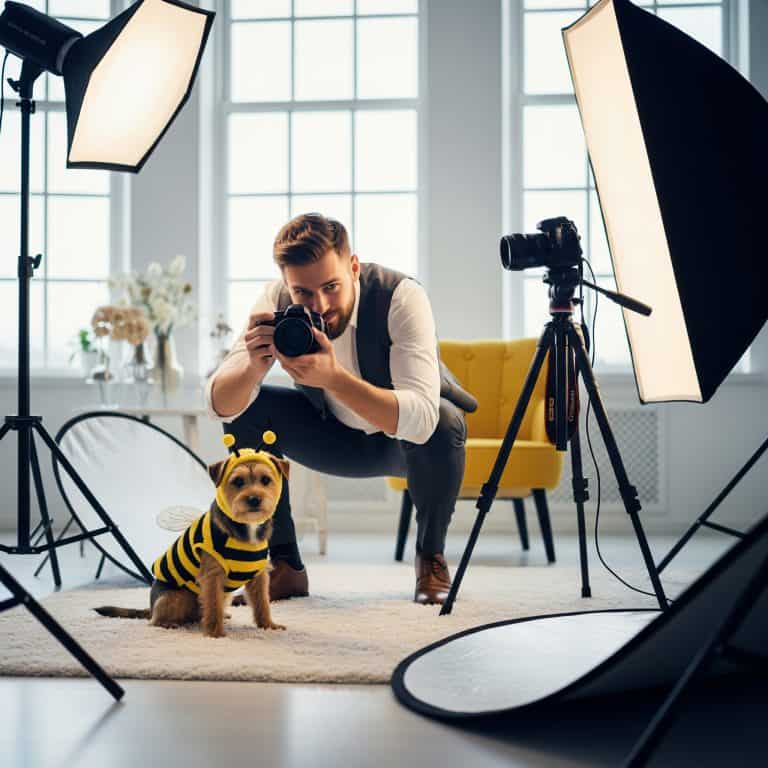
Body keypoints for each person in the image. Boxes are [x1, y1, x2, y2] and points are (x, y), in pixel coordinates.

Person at [204, 213, 475, 604]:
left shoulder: (401, 296)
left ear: (353, 267)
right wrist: (252, 366)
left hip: (399, 444)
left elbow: (420, 421)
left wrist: (333, 379)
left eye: (331, 286)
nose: (321, 305)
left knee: (446, 422)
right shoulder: (276, 301)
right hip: (330, 435)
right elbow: (218, 406)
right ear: (286, 284)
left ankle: (430, 559)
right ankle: (284, 566)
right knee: (248, 408)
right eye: (303, 293)